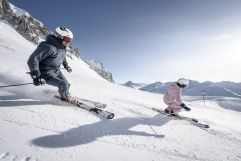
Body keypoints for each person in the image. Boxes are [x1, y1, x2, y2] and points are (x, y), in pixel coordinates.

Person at [27, 27, 75, 103]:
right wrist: (35, 75)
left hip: (56, 70)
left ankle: (63, 93)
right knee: (64, 84)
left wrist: (66, 66)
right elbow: (33, 59)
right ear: (60, 36)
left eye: (70, 40)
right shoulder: (49, 47)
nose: (68, 42)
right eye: (67, 39)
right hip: (46, 72)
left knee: (67, 85)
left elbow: (63, 57)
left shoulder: (63, 48)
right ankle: (65, 99)